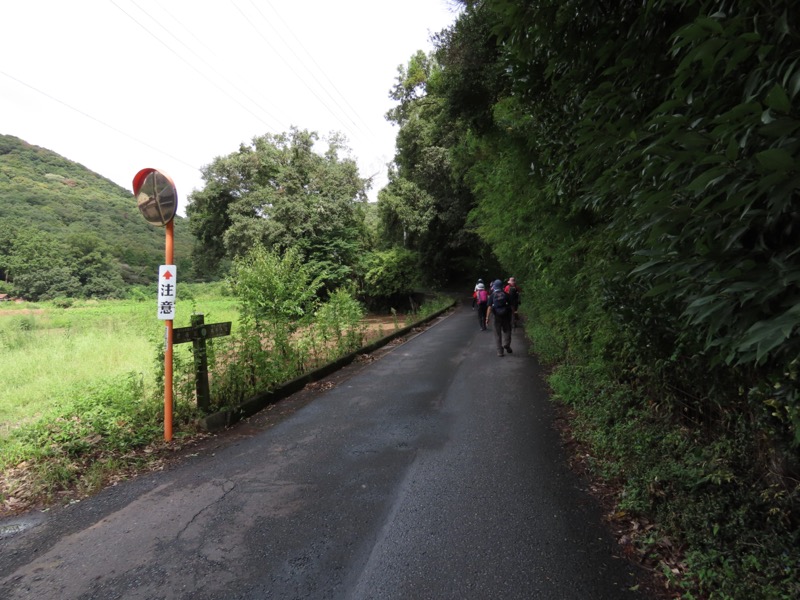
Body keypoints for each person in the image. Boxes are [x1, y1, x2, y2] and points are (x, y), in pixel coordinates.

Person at [485, 279, 513, 356]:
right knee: (507, 330)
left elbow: (489, 307)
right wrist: (514, 314)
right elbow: (511, 306)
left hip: (495, 316)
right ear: (502, 286)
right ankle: (507, 344)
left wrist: (487, 318)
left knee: (497, 334)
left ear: (494, 286)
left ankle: (500, 351)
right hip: (506, 315)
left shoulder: (492, 295)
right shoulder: (506, 294)